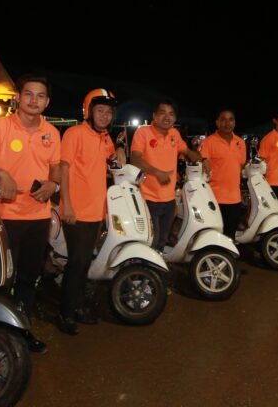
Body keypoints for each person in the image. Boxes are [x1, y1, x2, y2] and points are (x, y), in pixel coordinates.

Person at [0, 74, 60, 353]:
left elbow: (55, 168)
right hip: (4, 218)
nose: (34, 100)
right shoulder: (0, 127)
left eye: (40, 96)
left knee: (29, 278)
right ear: (19, 97)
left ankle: (22, 330)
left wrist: (53, 184)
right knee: (2, 280)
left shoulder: (52, 133)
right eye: (28, 94)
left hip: (39, 217)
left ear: (47, 102)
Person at [57, 89, 125, 335]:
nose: (105, 116)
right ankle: (66, 313)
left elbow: (112, 168)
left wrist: (118, 149)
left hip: (97, 211)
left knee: (85, 262)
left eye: (108, 112)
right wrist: (68, 205)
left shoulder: (106, 138)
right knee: (76, 263)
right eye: (100, 110)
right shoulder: (74, 133)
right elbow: (63, 170)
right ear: (88, 111)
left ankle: (77, 308)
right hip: (77, 211)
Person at [130, 99, 205, 251]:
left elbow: (187, 152)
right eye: (162, 113)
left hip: (169, 198)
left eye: (171, 114)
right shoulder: (143, 132)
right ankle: (147, 271)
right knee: (152, 239)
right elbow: (135, 158)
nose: (167, 117)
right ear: (154, 116)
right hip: (148, 197)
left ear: (175, 118)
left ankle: (155, 270)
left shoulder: (174, 134)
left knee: (162, 240)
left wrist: (203, 159)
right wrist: (157, 172)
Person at [199, 109, 246, 239]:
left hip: (234, 198)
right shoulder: (208, 142)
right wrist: (203, 160)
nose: (227, 123)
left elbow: (240, 165)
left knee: (230, 234)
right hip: (214, 198)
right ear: (217, 122)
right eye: (223, 119)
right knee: (214, 235)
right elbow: (201, 159)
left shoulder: (240, 143)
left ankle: (227, 258)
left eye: (231, 119)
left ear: (235, 122)